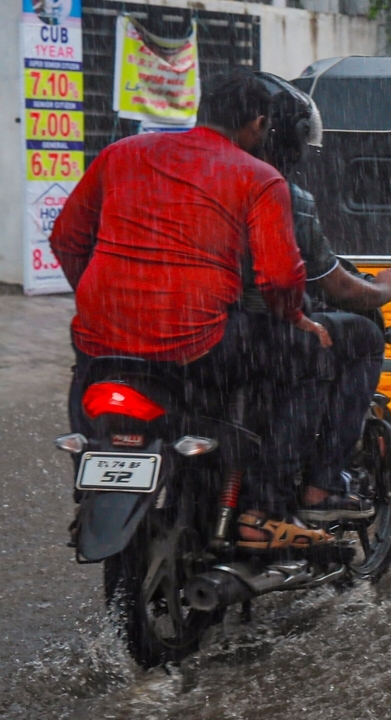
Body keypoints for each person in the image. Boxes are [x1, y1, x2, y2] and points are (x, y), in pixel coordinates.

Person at [51, 70, 334, 550]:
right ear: (259, 124)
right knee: (312, 358)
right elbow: (280, 278)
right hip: (199, 343)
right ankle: (265, 509)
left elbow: (67, 239)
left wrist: (103, 299)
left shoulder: (122, 153)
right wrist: (297, 319)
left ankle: (91, 485)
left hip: (102, 336)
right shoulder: (260, 175)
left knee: (93, 370)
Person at [243, 73, 391, 521]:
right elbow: (328, 283)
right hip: (250, 335)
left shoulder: (173, 172)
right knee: (355, 340)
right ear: (286, 136)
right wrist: (384, 290)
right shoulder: (278, 191)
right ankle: (320, 488)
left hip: (175, 334)